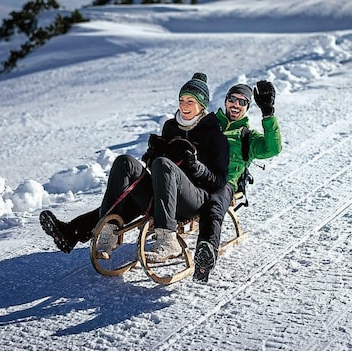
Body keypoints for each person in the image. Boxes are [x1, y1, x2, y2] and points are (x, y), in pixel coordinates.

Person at [40, 72, 229, 263]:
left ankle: (167, 239)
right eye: (181, 99)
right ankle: (107, 230)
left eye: (190, 101)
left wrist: (198, 168)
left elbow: (219, 181)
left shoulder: (215, 135)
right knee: (125, 162)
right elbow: (161, 165)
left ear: (202, 105)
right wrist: (152, 156)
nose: (184, 105)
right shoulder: (171, 127)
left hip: (192, 199)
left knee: (162, 165)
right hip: (163, 193)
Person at [192, 80, 282, 283]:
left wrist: (268, 114)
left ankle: (205, 257)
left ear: (247, 107)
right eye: (232, 99)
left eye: (242, 102)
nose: (235, 104)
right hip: (197, 176)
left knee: (214, 205)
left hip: (225, 184)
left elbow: (273, 148)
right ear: (225, 101)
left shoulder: (247, 137)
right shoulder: (209, 123)